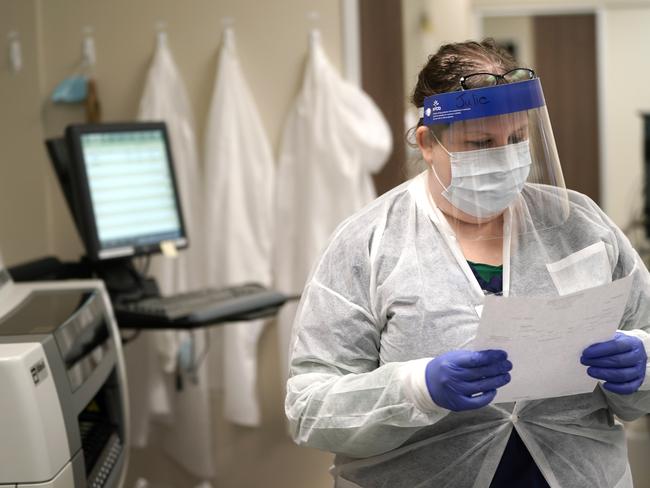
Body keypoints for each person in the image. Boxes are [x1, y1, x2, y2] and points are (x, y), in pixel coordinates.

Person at [284, 39, 650, 488]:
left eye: (516, 139)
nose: (503, 156)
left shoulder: (580, 224)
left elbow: (645, 337)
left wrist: (642, 363)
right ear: (428, 143)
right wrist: (417, 387)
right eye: (480, 143)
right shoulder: (368, 242)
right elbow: (309, 407)